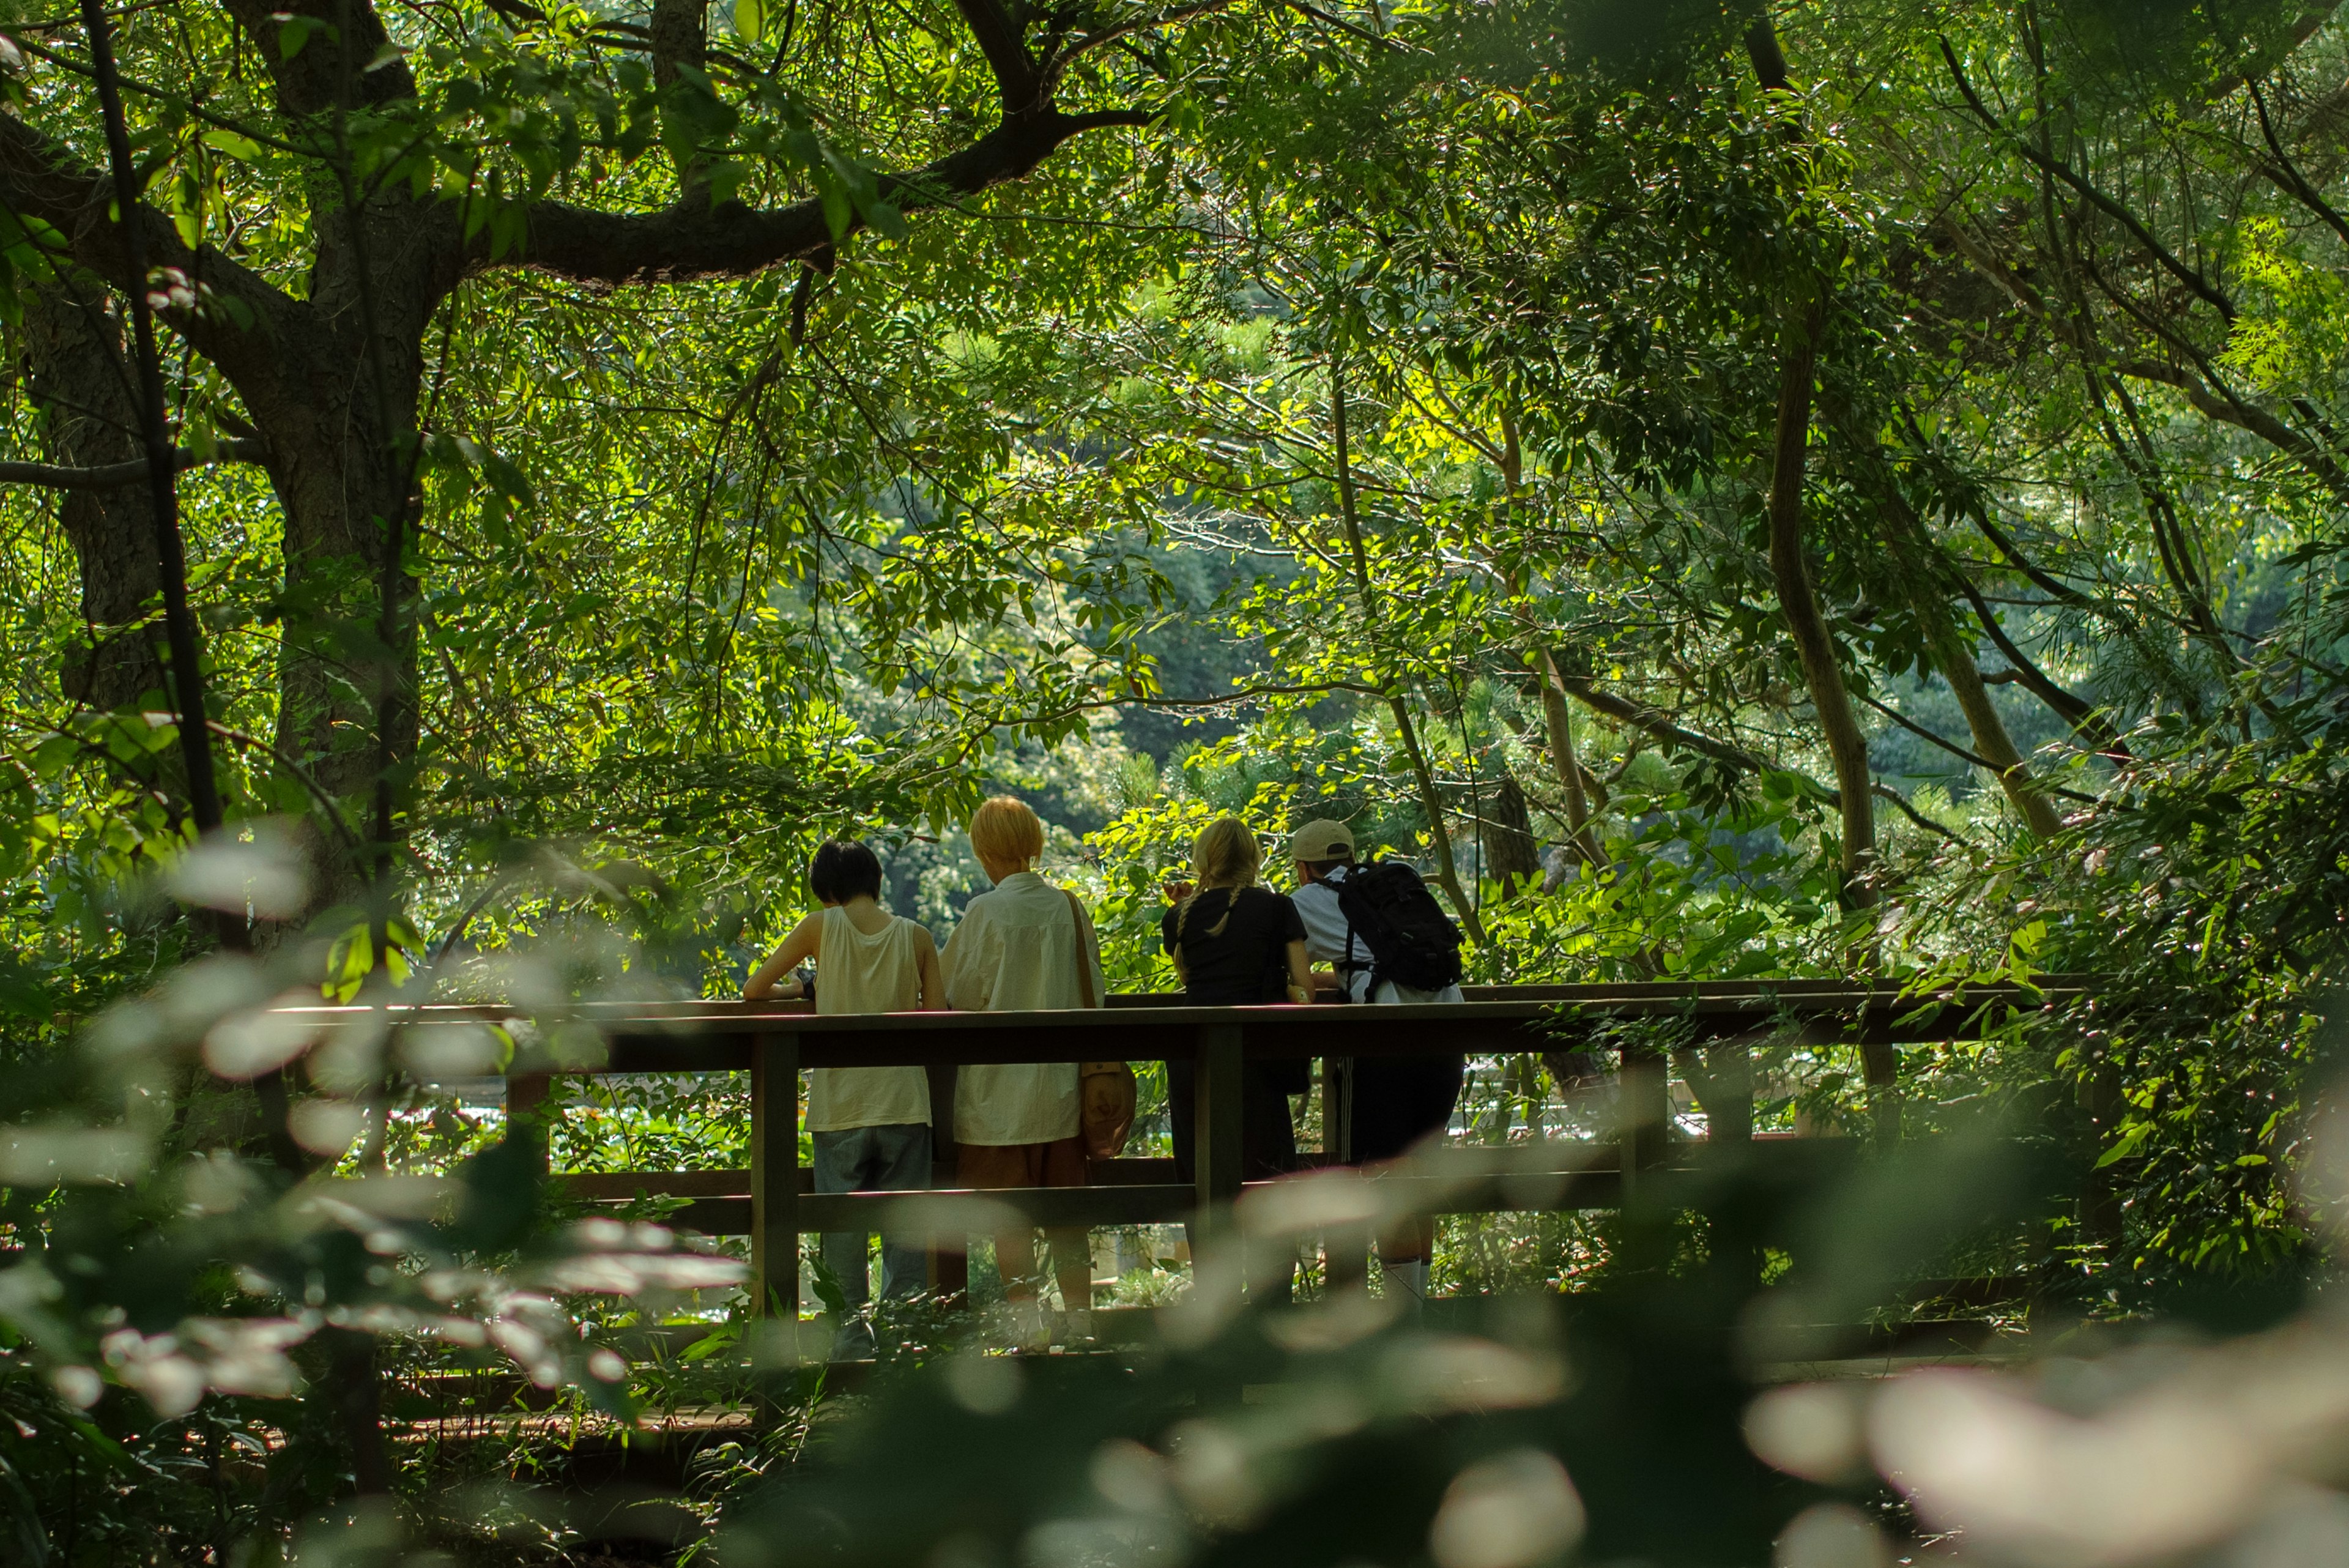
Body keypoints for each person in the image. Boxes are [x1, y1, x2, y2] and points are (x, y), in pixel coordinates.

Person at [744, 840, 944, 1359]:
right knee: (908, 1233)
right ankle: (906, 1342)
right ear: (875, 880)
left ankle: (850, 1348)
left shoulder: (820, 927)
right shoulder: (916, 936)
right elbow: (940, 1014)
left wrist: (804, 992)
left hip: (840, 1103)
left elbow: (754, 989)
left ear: (827, 888)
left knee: (843, 1236)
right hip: (904, 1101)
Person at [939, 797, 1107, 1348]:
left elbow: (956, 996)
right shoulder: (1070, 908)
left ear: (986, 850)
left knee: (1009, 1218)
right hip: (1062, 1089)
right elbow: (1096, 997)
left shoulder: (985, 912)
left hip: (996, 1095)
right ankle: (1081, 1324)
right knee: (1068, 1216)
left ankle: (1028, 1329)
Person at [1287, 817, 1466, 1317]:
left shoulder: (1306, 903)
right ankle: (1418, 1310)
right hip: (1452, 1028)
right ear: (1350, 857)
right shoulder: (1393, 880)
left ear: (1304, 868)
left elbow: (1297, 976)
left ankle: (1401, 1325)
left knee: (1388, 1179)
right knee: (1419, 1173)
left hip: (1390, 1039)